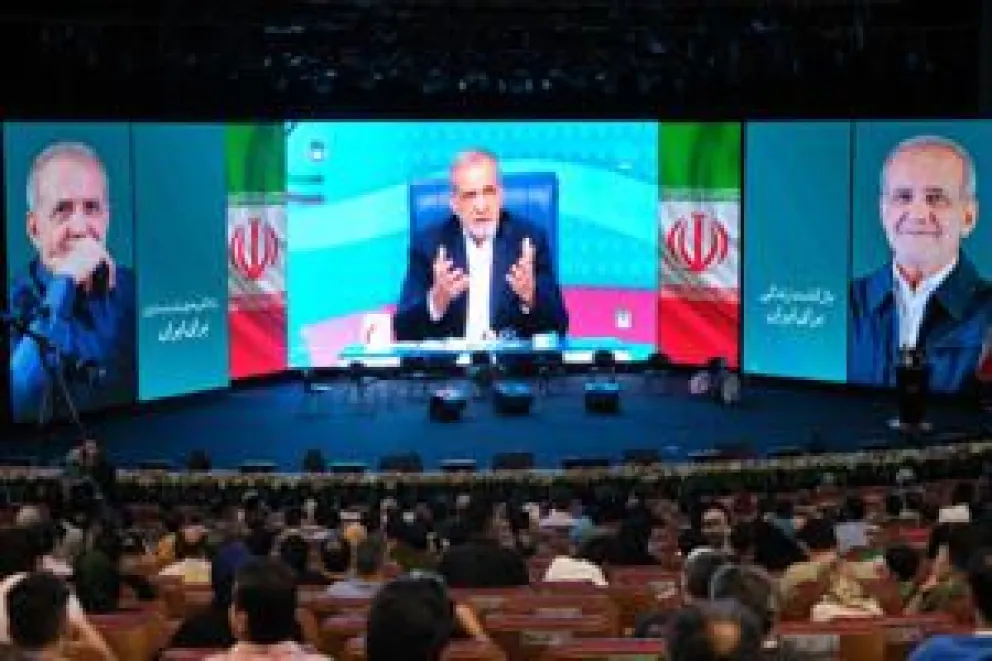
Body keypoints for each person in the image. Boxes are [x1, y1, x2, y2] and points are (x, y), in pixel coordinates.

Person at [849, 134, 992, 393]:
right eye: (903, 196)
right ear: (883, 212)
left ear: (969, 217)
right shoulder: (843, 307)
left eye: (936, 198)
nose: (917, 214)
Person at [8, 141, 136, 420]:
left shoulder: (134, 294)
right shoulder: (11, 306)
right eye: (63, 210)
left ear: (107, 218)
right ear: (33, 229)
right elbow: (21, 397)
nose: (79, 228)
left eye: (92, 208)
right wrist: (65, 281)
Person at [393, 149, 568, 342]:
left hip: (510, 368)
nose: (481, 206)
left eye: (488, 192)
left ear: (501, 195)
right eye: (470, 195)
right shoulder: (428, 245)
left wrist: (531, 296)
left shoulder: (529, 241)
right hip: (450, 369)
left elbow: (559, 325)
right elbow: (402, 331)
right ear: (454, 204)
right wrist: (436, 301)